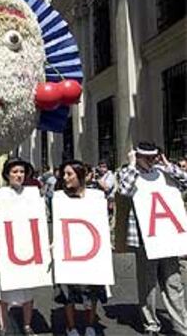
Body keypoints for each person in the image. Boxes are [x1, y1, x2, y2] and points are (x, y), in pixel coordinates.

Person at [115, 141, 187, 336]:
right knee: (147, 284)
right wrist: (131, 165)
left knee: (174, 282)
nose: (151, 160)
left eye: (153, 156)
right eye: (146, 157)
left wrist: (167, 164)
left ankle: (182, 325)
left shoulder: (163, 172)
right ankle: (151, 324)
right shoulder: (128, 173)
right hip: (144, 238)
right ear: (137, 156)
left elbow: (185, 181)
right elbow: (124, 190)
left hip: (167, 237)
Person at [54, 160, 107, 336]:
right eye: (64, 174)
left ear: (81, 176)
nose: (65, 177)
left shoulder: (96, 196)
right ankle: (71, 326)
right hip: (68, 251)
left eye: (69, 174)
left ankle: (90, 324)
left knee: (92, 290)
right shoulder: (59, 197)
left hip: (90, 250)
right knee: (68, 290)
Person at [0, 157, 37, 336]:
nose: (19, 175)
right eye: (15, 172)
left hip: (27, 247)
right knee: (4, 289)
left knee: (28, 290)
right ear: (7, 174)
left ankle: (27, 325)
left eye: (22, 172)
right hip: (6, 247)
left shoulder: (32, 194)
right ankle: (4, 326)